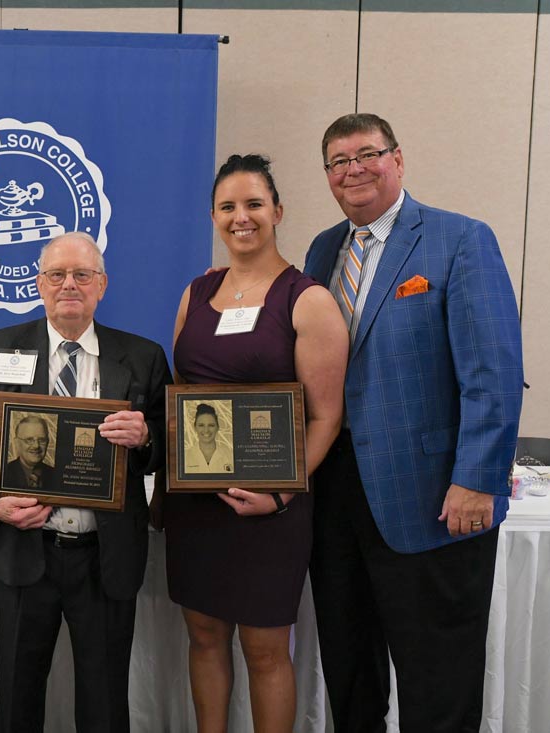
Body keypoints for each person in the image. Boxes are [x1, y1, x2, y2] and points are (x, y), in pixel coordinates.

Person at [303, 113, 523, 732]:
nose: (354, 169)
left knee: (438, 681)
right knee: (350, 672)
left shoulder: (459, 239)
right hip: (336, 497)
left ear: (398, 160)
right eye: (339, 161)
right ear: (327, 177)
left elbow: (494, 371)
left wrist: (477, 478)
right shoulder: (323, 250)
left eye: (367, 154)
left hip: (432, 497)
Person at [163, 154, 348, 732]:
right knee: (204, 638)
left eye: (253, 205)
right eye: (227, 207)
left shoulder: (307, 299)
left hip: (270, 510)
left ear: (278, 212)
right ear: (213, 217)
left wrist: (280, 495)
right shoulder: (195, 293)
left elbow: (325, 418)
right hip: (197, 504)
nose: (240, 218)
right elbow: (182, 394)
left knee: (267, 651)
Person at [0, 231, 170, 733]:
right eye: (57, 274)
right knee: (17, 694)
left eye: (82, 274)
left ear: (102, 284)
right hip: (25, 549)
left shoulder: (142, 357)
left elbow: (169, 441)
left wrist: (145, 438)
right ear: (38, 284)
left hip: (105, 555)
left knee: (104, 700)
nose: (69, 284)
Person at [2, 414, 56, 492]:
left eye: (41, 440)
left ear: (48, 442)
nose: (36, 446)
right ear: (16, 443)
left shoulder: (57, 476)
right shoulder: (3, 475)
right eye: (29, 440)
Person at [184, 403, 232, 474]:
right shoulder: (185, 457)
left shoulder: (230, 455)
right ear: (195, 428)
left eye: (211, 425)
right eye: (201, 425)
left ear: (217, 427)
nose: (206, 430)